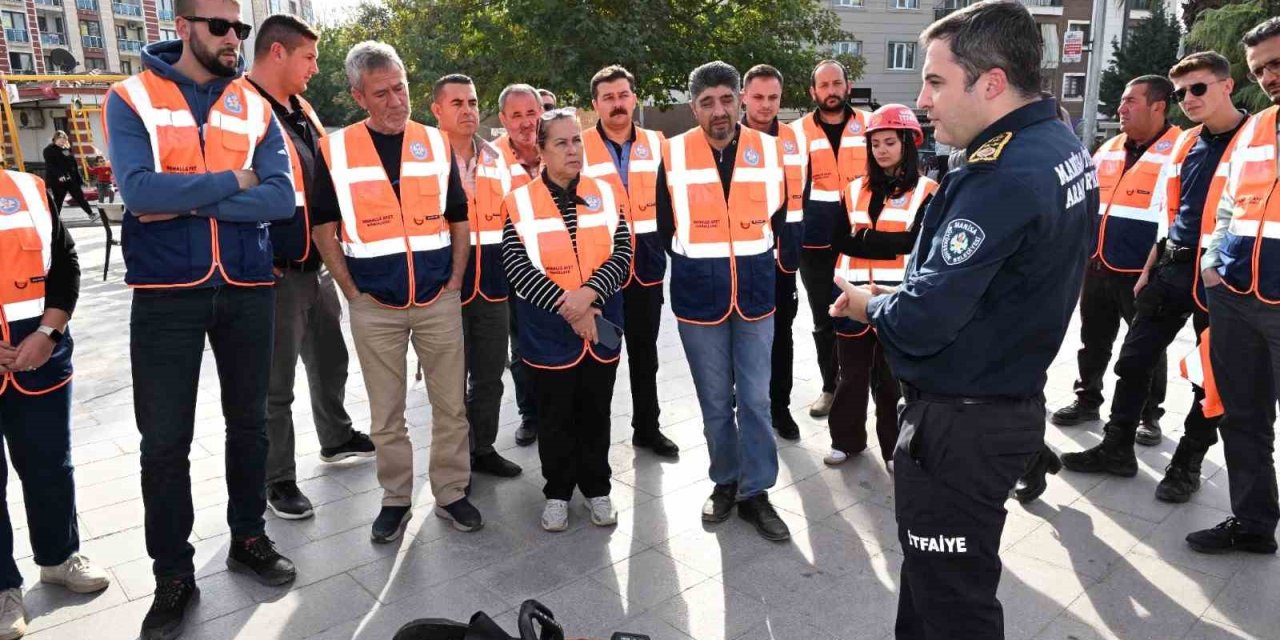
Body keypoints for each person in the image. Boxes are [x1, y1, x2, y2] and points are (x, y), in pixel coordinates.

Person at [829, 2, 1096, 636]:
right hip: (1001, 400)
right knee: (929, 590)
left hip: (963, 424)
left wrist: (870, 304)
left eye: (936, 81)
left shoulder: (1001, 173)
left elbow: (922, 319)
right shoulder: (1057, 140)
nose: (922, 100)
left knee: (954, 604)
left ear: (992, 82)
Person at [104, 1, 300, 637]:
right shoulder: (130, 98)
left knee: (251, 424)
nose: (234, 37)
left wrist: (191, 200)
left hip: (247, 285)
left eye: (240, 27)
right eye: (221, 26)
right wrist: (234, 182)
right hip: (166, 293)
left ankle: (249, 537)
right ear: (184, 27)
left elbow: (281, 196)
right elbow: (139, 193)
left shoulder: (254, 104)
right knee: (164, 444)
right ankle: (173, 574)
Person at [312, 41, 483, 543]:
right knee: (387, 415)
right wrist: (351, 292)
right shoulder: (337, 150)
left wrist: (454, 280)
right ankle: (395, 499)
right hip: (375, 307)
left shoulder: (434, 143)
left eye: (401, 88)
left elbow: (458, 218)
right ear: (358, 97)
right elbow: (324, 228)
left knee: (451, 405)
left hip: (437, 300)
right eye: (381, 93)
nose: (395, 101)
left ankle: (452, 492)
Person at [1061, 56, 1243, 502]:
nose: (1189, 100)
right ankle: (1116, 446)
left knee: (1209, 375)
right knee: (1134, 358)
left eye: (1197, 89)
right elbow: (1172, 212)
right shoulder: (1187, 145)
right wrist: (1152, 267)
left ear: (1228, 85)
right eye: (1182, 93)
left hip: (1223, 274)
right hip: (1169, 268)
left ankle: (1187, 464)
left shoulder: (1253, 139)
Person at [245, 14, 374, 522]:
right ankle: (277, 478)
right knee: (276, 383)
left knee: (329, 359)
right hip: (273, 269)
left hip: (317, 262)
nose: (316, 68)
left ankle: (336, 436)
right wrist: (255, 258)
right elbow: (236, 187)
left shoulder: (299, 106)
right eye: (309, 57)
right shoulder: (241, 107)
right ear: (277, 52)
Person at [658, 61, 790, 542]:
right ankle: (725, 481)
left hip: (756, 293)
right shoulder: (672, 154)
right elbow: (662, 225)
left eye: (727, 99)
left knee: (755, 400)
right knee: (715, 401)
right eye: (707, 102)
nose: (719, 110)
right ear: (693, 107)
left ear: (740, 99)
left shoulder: (771, 151)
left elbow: (781, 215)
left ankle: (757, 493)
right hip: (699, 297)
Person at [502, 108, 632, 531]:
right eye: (561, 142)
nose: (573, 149)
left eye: (576, 140)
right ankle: (557, 491)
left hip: (600, 321)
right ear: (540, 150)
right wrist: (570, 306)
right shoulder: (519, 202)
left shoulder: (606, 193)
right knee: (555, 417)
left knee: (597, 412)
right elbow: (518, 268)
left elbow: (623, 253)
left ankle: (598, 489)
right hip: (547, 329)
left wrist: (589, 296)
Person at [0, 172, 110, 640]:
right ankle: (3, 588)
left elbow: (64, 266)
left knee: (50, 465)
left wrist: (49, 332)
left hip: (39, 359)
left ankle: (60, 557)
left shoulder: (26, 188)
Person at [1186, 17, 1280, 555]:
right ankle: (1252, 523)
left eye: (1276, 62)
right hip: (1237, 298)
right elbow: (1227, 204)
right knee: (1242, 417)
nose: (1268, 76)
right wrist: (1212, 266)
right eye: (1259, 69)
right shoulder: (1258, 127)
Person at [1051, 75, 1177, 444]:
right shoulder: (1108, 148)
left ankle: (1148, 415)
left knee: (1148, 346)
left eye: (1130, 101)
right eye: (1122, 101)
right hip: (1098, 264)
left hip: (1145, 271)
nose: (1121, 108)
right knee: (1093, 339)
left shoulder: (1180, 148)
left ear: (1158, 106)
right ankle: (1086, 398)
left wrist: (1162, 269)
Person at [827, 104, 936, 468]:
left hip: (896, 300)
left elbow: (913, 245)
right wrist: (883, 241)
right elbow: (839, 240)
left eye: (890, 142)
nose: (882, 150)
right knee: (850, 376)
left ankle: (893, 449)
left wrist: (866, 237)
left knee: (891, 382)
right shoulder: (853, 189)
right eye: (875, 144)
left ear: (907, 143)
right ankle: (846, 441)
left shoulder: (927, 190)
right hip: (851, 297)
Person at [582, 65, 679, 457]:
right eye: (608, 97)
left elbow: (675, 199)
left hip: (647, 269)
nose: (617, 104)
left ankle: (647, 428)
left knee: (645, 353)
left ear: (634, 98)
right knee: (599, 357)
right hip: (599, 272)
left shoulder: (659, 143)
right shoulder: (580, 145)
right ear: (595, 104)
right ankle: (592, 439)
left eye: (623, 95)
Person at [430, 73, 523, 478]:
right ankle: (454, 466)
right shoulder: (424, 157)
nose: (468, 111)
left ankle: (481, 448)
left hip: (493, 282)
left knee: (488, 376)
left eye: (471, 102)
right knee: (449, 386)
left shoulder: (495, 157)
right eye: (457, 104)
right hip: (446, 284)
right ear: (437, 110)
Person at [790, 59, 871, 419]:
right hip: (816, 242)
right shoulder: (796, 132)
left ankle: (870, 386)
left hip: (863, 239)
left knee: (869, 313)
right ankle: (830, 386)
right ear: (813, 92)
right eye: (823, 86)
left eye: (836, 83)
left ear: (847, 86)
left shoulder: (869, 123)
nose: (831, 91)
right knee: (825, 318)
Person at [741, 63, 804, 441]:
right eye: (758, 97)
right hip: (739, 258)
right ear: (744, 96)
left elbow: (802, 198)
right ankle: (740, 402)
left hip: (782, 259)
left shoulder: (795, 141)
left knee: (782, 335)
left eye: (773, 98)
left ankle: (779, 407)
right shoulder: (727, 139)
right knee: (739, 334)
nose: (766, 105)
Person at [494, 83, 543, 447]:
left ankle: (564, 411)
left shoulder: (563, 148)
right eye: (517, 115)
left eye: (532, 113)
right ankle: (531, 414)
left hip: (564, 269)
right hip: (514, 271)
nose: (527, 123)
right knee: (521, 348)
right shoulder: (489, 159)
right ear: (503, 120)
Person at [43, 131, 96, 221]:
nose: (63, 140)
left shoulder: (66, 150)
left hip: (71, 179)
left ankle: (91, 214)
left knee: (79, 197)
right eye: (61, 138)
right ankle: (54, 219)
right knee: (58, 200)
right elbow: (50, 165)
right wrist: (60, 175)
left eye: (64, 138)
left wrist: (79, 179)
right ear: (55, 139)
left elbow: (73, 165)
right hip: (59, 180)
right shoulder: (49, 150)